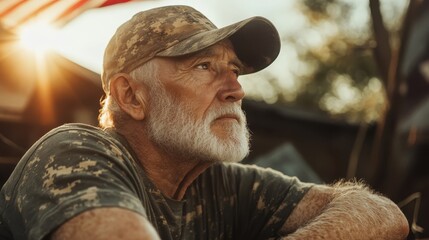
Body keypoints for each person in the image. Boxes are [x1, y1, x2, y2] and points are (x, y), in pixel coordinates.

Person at [0, 5, 409, 240]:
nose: (236, 89)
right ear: (131, 96)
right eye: (203, 66)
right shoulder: (76, 152)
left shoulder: (220, 183)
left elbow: (380, 213)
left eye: (234, 69)